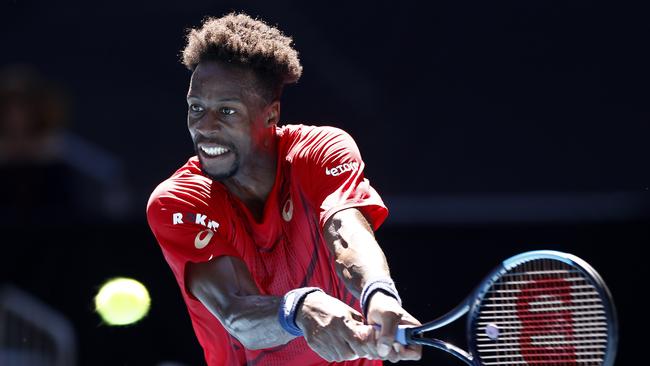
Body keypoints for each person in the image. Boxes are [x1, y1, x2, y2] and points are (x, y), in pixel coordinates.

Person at [147, 13, 422, 365]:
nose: (205, 127)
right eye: (196, 108)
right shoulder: (177, 201)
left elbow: (346, 231)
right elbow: (234, 311)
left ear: (271, 115)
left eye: (227, 111)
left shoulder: (320, 151)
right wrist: (300, 309)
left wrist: (379, 294)